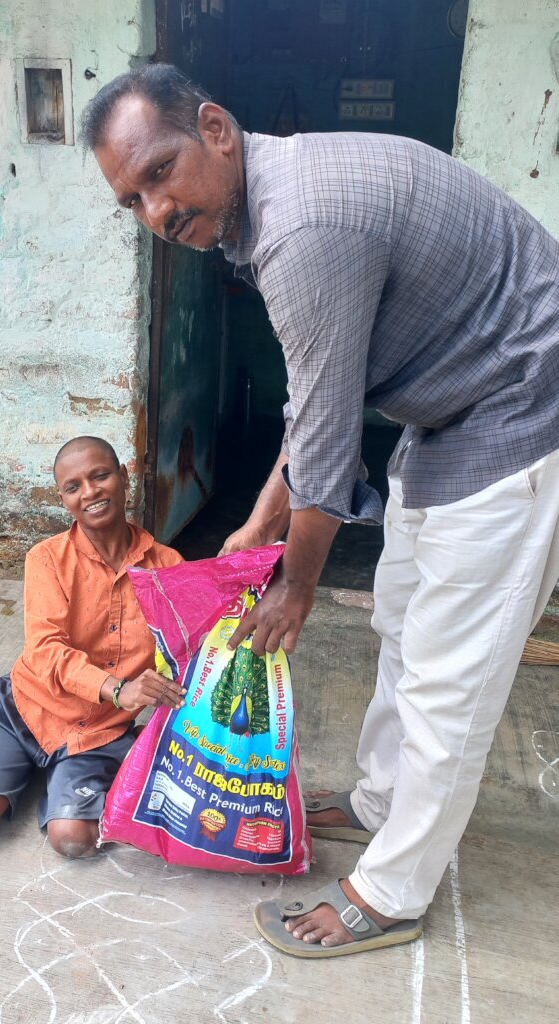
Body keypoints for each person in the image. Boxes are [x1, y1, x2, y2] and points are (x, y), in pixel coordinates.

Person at [79, 64, 559, 955]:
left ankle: (392, 894)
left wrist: (294, 586)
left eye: (159, 173)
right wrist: (261, 523)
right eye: (131, 201)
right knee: (406, 624)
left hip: (518, 408)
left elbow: (331, 445)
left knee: (452, 679)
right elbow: (316, 399)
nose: (155, 212)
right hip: (445, 411)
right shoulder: (257, 212)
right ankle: (378, 800)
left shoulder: (302, 228)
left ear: (216, 129)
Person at [0, 436, 185, 857]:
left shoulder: (168, 567)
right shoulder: (46, 559)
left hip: (100, 730)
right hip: (27, 711)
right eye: (73, 486)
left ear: (124, 478)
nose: (90, 492)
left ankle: (62, 776)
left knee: (74, 841)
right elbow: (44, 649)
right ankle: (17, 760)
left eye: (100, 476)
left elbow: (188, 652)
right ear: (63, 499)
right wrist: (118, 687)